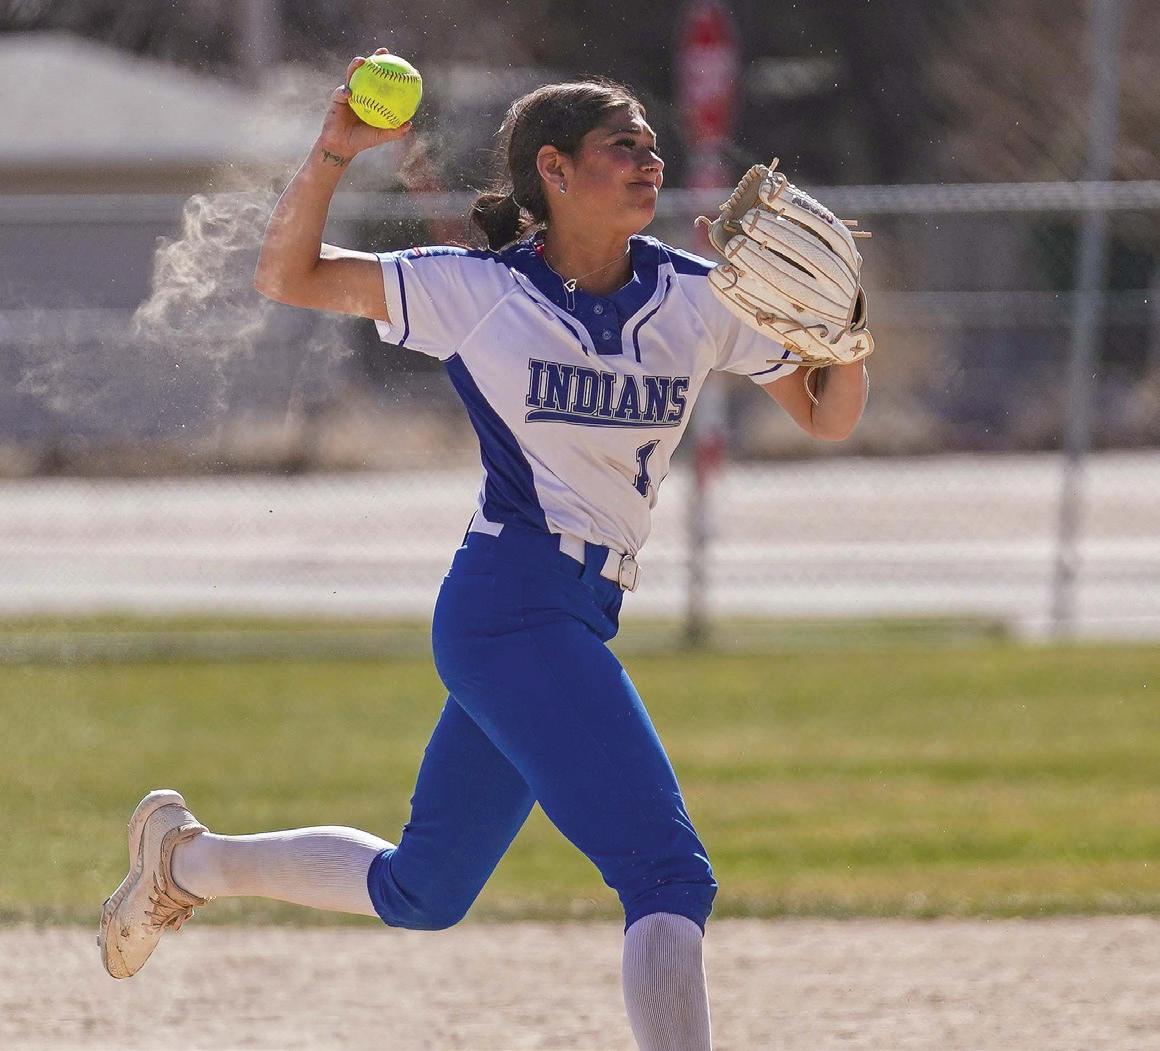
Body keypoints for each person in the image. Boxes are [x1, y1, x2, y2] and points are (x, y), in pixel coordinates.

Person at [99, 51, 868, 1051]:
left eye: (650, 143)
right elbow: (287, 275)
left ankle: (185, 861)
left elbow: (824, 414)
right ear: (553, 169)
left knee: (423, 889)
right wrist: (334, 149)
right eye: (621, 145)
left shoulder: (694, 296)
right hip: (510, 604)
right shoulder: (477, 290)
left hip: (572, 614)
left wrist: (850, 336)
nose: (649, 159)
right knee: (666, 874)